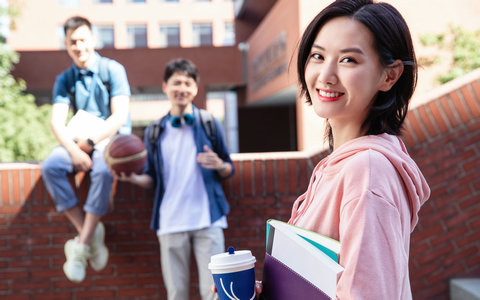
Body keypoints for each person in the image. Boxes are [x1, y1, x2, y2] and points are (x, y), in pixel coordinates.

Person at [215, 0, 431, 299]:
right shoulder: (339, 164)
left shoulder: (366, 171)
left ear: (389, 76)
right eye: (318, 56)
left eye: (348, 60)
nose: (326, 75)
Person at [114, 58, 235, 300]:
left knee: (213, 293)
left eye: (188, 83)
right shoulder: (154, 130)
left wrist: (219, 164)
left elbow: (229, 169)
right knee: (177, 293)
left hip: (208, 220)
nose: (182, 88)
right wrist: (133, 178)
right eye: (176, 82)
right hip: (170, 221)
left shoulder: (209, 123)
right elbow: (151, 178)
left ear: (196, 88)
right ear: (165, 86)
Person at [41, 16, 131, 283]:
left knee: (103, 173)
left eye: (82, 39)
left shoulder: (113, 70)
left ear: (92, 39)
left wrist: (90, 144)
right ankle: (89, 238)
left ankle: (79, 246)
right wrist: (74, 150)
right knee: (51, 166)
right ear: (66, 46)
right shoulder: (65, 79)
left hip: (109, 140)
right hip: (78, 141)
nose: (78, 46)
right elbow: (56, 122)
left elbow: (119, 117)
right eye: (72, 42)